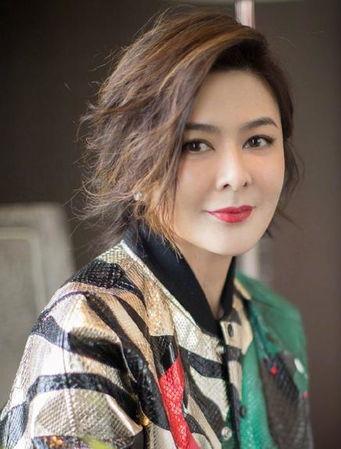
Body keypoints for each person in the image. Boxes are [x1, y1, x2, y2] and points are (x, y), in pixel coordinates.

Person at [0, 5, 313, 449]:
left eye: (257, 140)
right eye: (195, 144)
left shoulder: (274, 322)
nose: (235, 174)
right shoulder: (91, 331)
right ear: (135, 163)